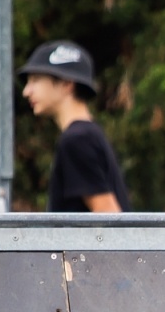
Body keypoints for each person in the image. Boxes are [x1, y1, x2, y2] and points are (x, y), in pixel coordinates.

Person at [18, 40, 131, 213]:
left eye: (35, 80)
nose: (26, 91)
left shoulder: (77, 139)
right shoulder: (87, 134)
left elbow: (108, 215)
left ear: (66, 84)